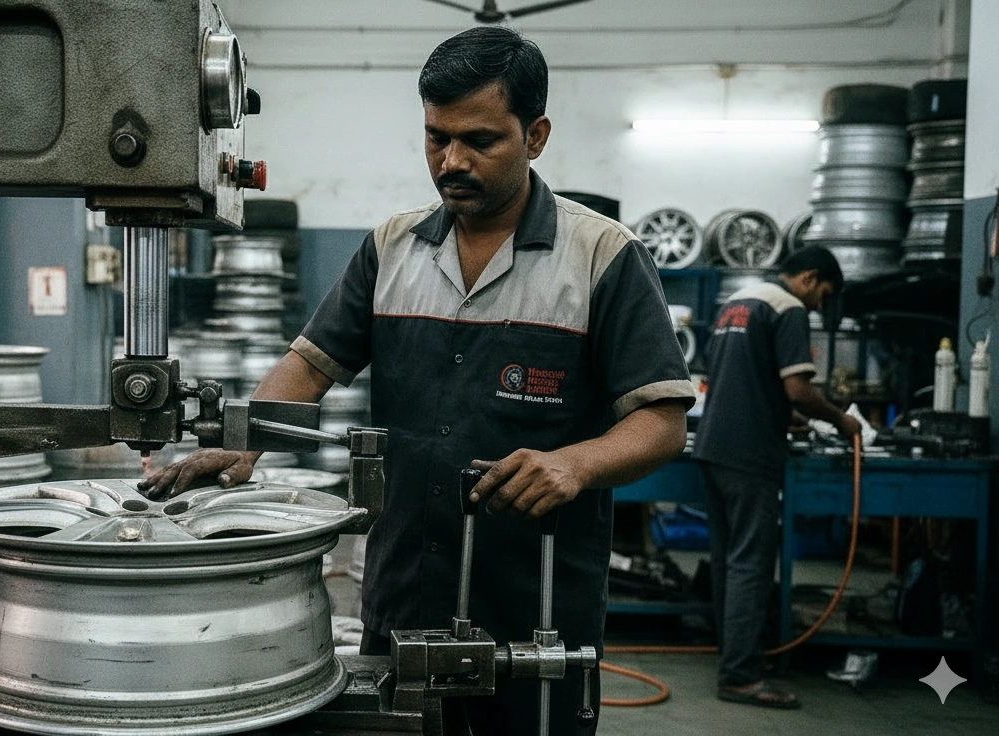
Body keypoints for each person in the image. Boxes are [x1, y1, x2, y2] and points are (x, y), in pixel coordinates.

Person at [142, 27, 695, 733]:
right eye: (436, 138)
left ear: (537, 135)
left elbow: (662, 422)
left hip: (536, 609)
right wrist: (249, 439)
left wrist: (575, 463)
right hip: (404, 595)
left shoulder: (602, 258)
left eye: (480, 140)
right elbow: (312, 363)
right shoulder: (391, 248)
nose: (451, 160)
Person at [692, 245, 863, 709]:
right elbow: (798, 389)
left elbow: (737, 379)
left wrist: (780, 416)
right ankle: (741, 676)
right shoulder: (787, 308)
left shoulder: (737, 303)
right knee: (750, 562)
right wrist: (842, 420)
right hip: (750, 454)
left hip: (712, 446)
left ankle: (735, 659)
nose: (819, 305)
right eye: (823, 294)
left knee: (729, 560)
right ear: (808, 277)